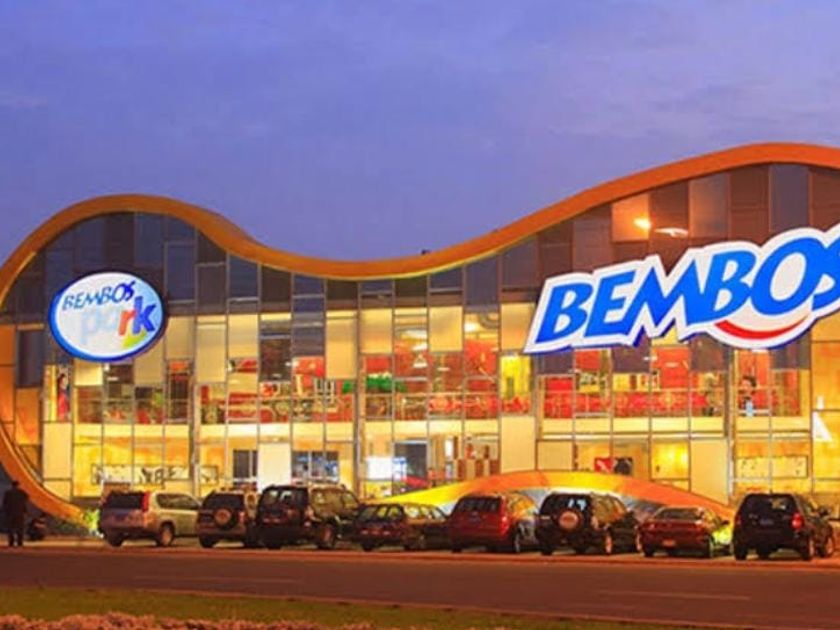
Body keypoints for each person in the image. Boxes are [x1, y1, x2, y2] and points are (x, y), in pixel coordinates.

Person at [2, 480, 29, 547]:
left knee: (10, 528)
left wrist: (5, 512)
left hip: (10, 513)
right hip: (19, 513)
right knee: (20, 528)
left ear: (12, 485)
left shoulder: (7, 493)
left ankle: (11, 542)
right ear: (18, 485)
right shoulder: (22, 493)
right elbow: (26, 499)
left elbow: (4, 503)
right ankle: (20, 542)